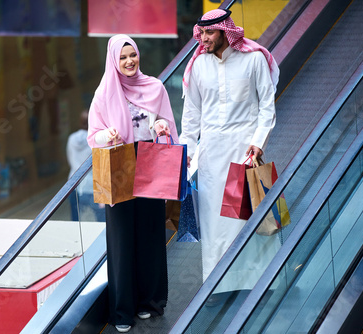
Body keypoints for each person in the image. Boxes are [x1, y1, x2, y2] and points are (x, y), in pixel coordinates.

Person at [180, 9, 281, 303]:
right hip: (211, 155)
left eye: (210, 33)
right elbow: (192, 115)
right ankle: (217, 285)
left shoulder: (254, 59)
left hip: (245, 152)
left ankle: (260, 282)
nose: (204, 38)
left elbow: (266, 108)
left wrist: (259, 142)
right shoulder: (197, 65)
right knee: (214, 222)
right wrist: (187, 149)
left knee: (248, 217)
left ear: (226, 31)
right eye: (201, 33)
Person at [87, 34, 179, 333]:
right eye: (123, 57)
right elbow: (94, 136)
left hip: (150, 160)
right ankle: (122, 311)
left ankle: (150, 303)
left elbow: (163, 122)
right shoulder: (104, 94)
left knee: (151, 233)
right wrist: (108, 134)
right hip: (120, 163)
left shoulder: (154, 87)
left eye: (133, 55)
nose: (129, 61)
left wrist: (161, 125)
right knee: (121, 238)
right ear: (114, 60)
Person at [66, 109, 105, 222]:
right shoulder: (96, 140)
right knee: (101, 221)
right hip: (93, 186)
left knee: (76, 219)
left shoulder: (71, 139)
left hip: (74, 184)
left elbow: (70, 157)